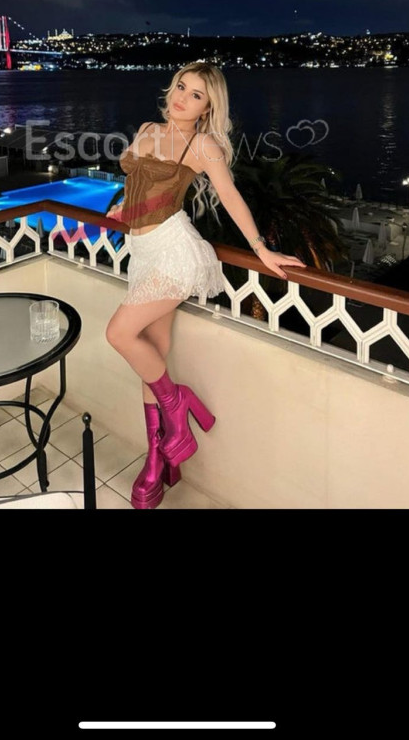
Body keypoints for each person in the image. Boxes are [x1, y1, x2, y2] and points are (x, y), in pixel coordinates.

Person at [105, 61, 307, 509]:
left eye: (196, 94)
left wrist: (261, 248)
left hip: (173, 253)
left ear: (208, 106)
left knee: (119, 333)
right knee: (152, 357)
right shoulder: (147, 129)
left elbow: (230, 196)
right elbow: (138, 182)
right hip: (142, 252)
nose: (182, 97)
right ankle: (158, 461)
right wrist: (126, 210)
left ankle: (178, 404)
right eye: (181, 86)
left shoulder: (203, 145)